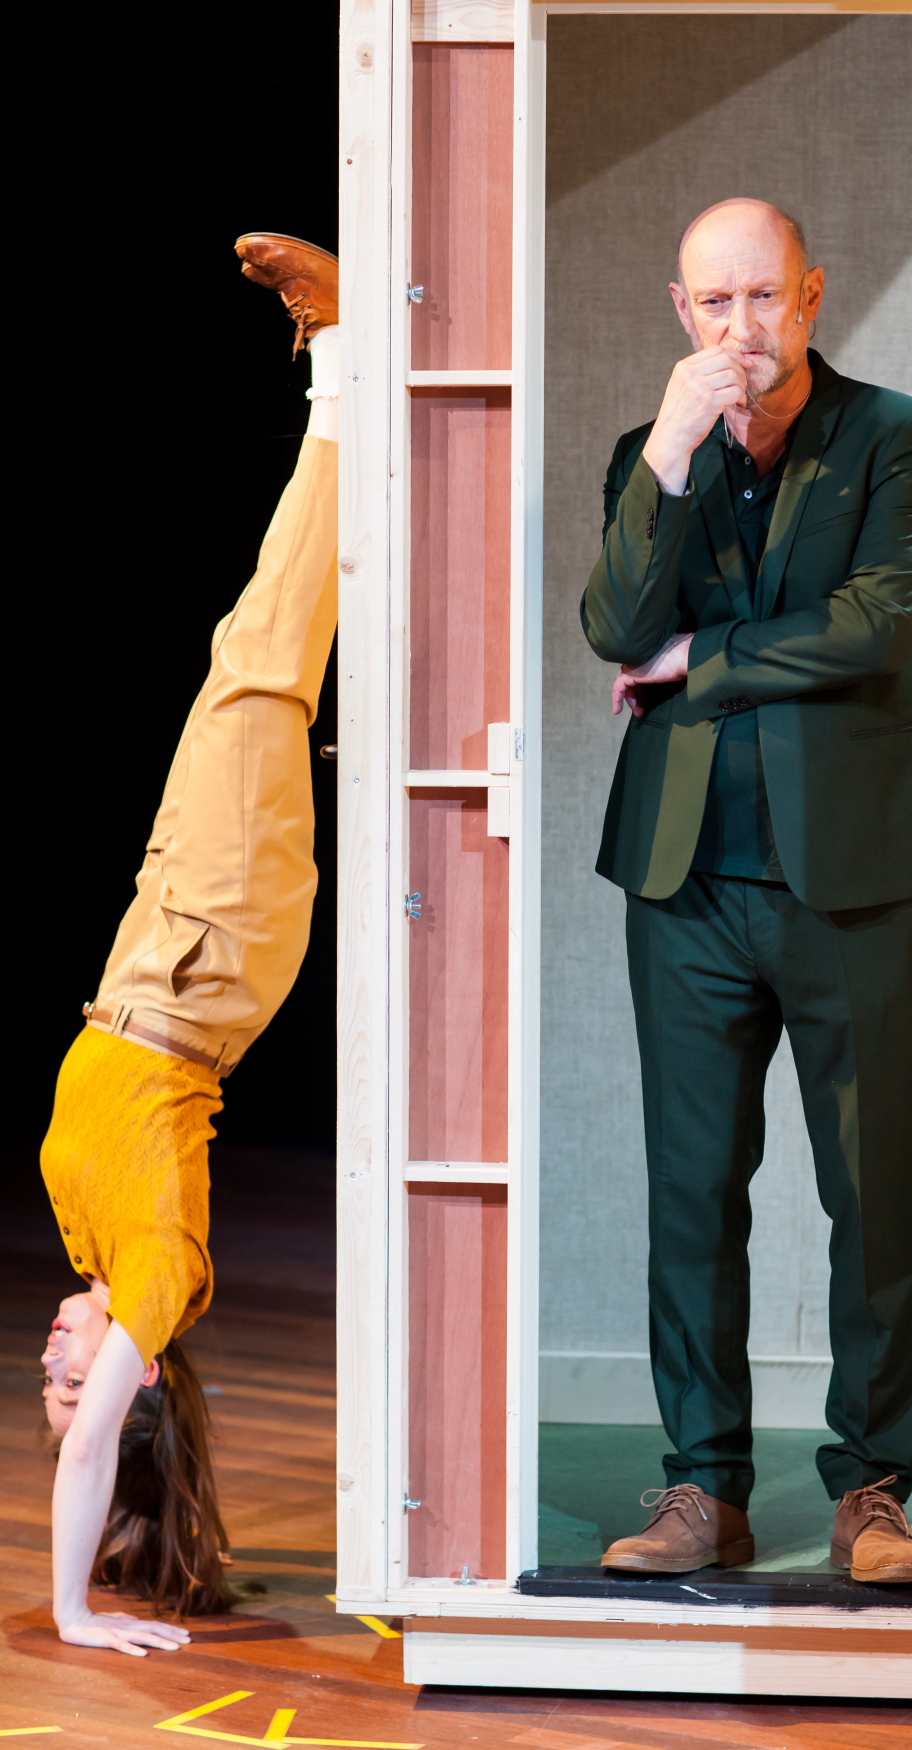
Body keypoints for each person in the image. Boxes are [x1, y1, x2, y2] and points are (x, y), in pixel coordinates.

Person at [582, 198, 912, 1583]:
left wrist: (700, 661)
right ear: (681, 313)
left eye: (765, 296)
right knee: (691, 1193)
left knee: (873, 1194)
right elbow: (612, 625)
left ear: (811, 295)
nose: (741, 327)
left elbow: (876, 625)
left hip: (859, 878)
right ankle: (704, 1486)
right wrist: (669, 455)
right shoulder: (653, 454)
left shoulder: (899, 437)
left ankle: (873, 1489)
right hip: (684, 879)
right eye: (715, 302)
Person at [38, 234, 341, 1655]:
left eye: (50, 1384)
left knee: (256, 662)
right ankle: (342, 370)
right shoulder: (160, 1275)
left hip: (159, 948)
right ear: (137, 1377)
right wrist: (71, 1612)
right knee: (261, 662)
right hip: (209, 955)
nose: (54, 1365)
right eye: (74, 1383)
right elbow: (99, 1451)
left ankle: (348, 397)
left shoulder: (92, 1240)